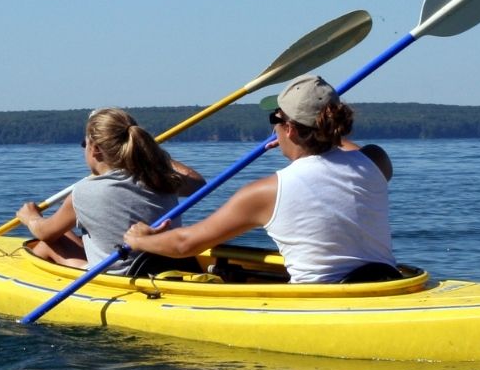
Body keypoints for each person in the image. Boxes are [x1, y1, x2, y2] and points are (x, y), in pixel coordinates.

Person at [123, 74, 398, 284]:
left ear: (289, 129)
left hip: (322, 303)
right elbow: (345, 149)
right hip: (386, 283)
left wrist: (141, 240)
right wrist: (303, 134)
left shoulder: (267, 192)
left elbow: (186, 244)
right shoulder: (376, 161)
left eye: (275, 120)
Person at [16, 107, 205, 276]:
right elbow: (198, 183)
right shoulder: (160, 178)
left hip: (120, 277)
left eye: (85, 143)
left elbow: (45, 233)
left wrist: (31, 217)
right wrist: (151, 154)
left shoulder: (83, 192)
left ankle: (27, 281)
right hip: (170, 265)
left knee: (50, 241)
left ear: (96, 149)